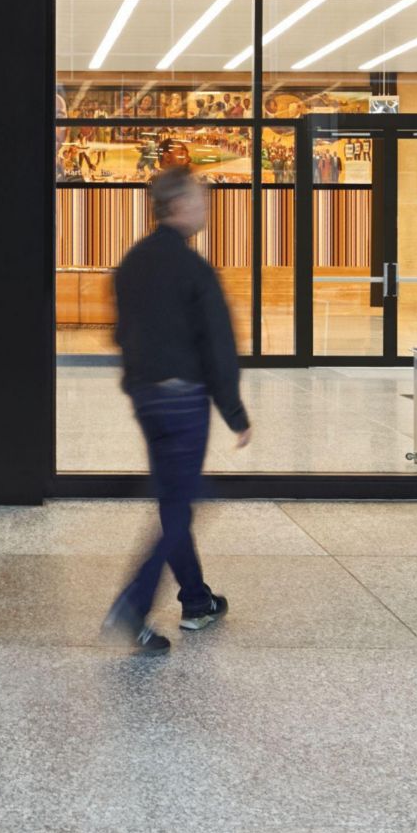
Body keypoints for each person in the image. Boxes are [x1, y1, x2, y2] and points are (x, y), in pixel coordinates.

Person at [103, 165, 251, 654]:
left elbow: (120, 332)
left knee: (173, 500)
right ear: (179, 206)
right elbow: (219, 345)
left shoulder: (132, 262)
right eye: (200, 198)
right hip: (184, 401)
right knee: (184, 497)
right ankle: (134, 603)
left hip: (147, 397)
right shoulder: (193, 269)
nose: (205, 206)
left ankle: (196, 600)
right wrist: (234, 412)